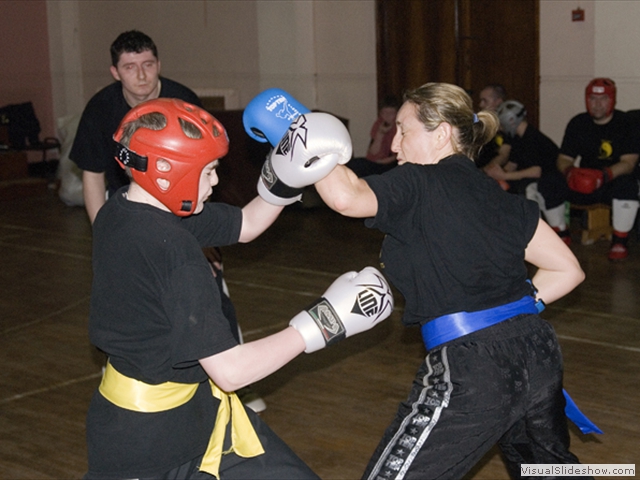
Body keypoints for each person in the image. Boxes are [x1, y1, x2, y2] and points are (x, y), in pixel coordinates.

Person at [85, 98, 393, 479]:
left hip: (195, 415)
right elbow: (231, 372)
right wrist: (326, 321)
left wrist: (283, 180)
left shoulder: (124, 210)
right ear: (168, 172)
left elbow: (245, 224)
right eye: (209, 170)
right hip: (150, 451)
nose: (216, 180)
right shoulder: (176, 255)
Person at [315, 82, 590, 479]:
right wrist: (509, 310)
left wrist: (305, 139)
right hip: (538, 352)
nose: (394, 147)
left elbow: (346, 197)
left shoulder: (421, 182)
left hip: (475, 366)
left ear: (441, 133)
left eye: (404, 132)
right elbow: (568, 270)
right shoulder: (497, 195)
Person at [70, 30, 266, 411]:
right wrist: (104, 234)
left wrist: (207, 245)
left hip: (185, 210)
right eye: (130, 67)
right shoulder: (100, 108)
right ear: (115, 72)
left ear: (158, 65)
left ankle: (238, 382)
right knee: (136, 300)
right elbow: (92, 175)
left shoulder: (183, 101)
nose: (140, 75)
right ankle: (131, 371)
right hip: (129, 207)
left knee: (211, 291)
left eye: (147, 65)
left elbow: (207, 181)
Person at [537, 77, 640, 260]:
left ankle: (620, 241)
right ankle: (561, 234)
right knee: (549, 181)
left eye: (603, 99)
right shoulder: (578, 123)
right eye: (593, 98)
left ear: (612, 100)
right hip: (582, 182)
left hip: (610, 182)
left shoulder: (626, 123)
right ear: (587, 100)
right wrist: (570, 173)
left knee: (628, 185)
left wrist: (604, 175)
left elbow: (629, 163)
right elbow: (564, 158)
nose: (597, 104)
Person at [484, 100, 566, 237]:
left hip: (550, 183)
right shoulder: (518, 138)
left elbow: (536, 171)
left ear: (510, 121)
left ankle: (547, 231)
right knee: (500, 187)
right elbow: (512, 165)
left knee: (530, 190)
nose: (501, 129)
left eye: (502, 125)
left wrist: (504, 176)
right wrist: (493, 173)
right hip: (535, 180)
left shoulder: (534, 139)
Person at [347, 95, 400, 177]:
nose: (387, 116)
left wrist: (381, 162)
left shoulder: (400, 127)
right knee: (354, 164)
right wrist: (380, 133)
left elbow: (397, 156)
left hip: (393, 164)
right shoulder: (379, 124)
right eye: (384, 113)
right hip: (377, 162)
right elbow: (372, 153)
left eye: (391, 113)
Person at [475, 83, 507, 169]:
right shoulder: (478, 124)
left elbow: (503, 156)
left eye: (485, 101)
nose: (481, 105)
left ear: (498, 102)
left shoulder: (507, 128)